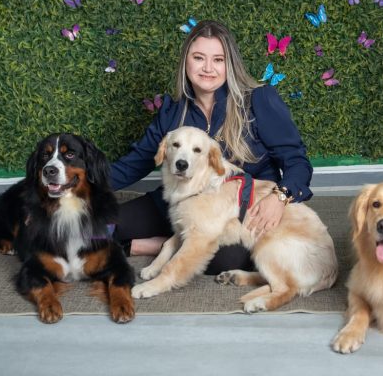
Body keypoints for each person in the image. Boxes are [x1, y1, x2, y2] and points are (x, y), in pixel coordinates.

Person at [110, 20, 313, 274]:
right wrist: (81, 186)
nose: (208, 68)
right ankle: (173, 240)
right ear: (186, 61)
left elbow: (296, 161)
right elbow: (137, 161)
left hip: (240, 212)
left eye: (218, 60)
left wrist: (280, 197)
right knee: (106, 225)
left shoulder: (259, 99)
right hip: (180, 202)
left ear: (229, 64)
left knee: (224, 260)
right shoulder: (173, 109)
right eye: (198, 58)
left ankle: (161, 244)